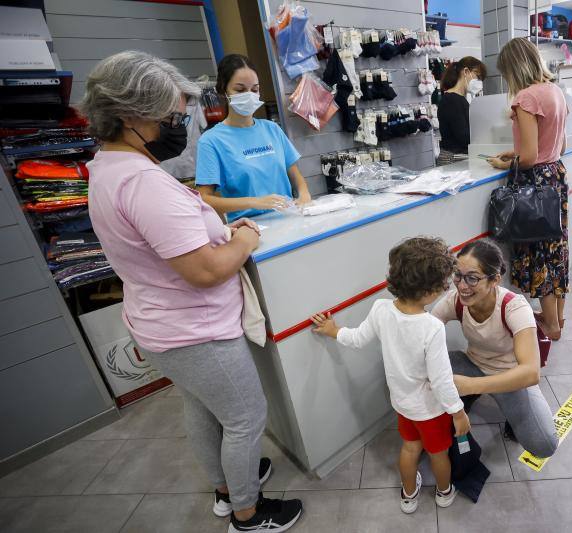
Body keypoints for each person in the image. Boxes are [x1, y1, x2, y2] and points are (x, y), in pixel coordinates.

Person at [82, 51, 302, 533]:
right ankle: (247, 512)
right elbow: (205, 271)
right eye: (171, 117)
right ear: (131, 116)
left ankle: (227, 487)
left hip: (160, 324)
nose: (179, 125)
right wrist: (243, 238)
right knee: (246, 417)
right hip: (195, 327)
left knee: (203, 407)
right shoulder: (144, 183)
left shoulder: (107, 167)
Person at [310, 237, 470, 514]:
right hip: (430, 410)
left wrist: (334, 331)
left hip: (402, 404)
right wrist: (457, 412)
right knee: (438, 454)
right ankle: (444, 492)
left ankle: (408, 496)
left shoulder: (381, 308)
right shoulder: (431, 327)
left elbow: (358, 338)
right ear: (431, 291)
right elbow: (441, 380)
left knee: (410, 448)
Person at [431, 239, 558, 458]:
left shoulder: (514, 306)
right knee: (427, 370)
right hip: (472, 364)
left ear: (495, 280)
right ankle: (464, 400)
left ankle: (479, 398)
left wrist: (470, 385)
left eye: (472, 278)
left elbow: (530, 372)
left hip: (511, 377)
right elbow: (425, 334)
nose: (462, 285)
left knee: (544, 444)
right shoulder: (455, 301)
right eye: (458, 275)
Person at [486, 37, 569, 341]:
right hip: (555, 177)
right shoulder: (555, 92)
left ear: (513, 68)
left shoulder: (526, 98)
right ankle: (558, 316)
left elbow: (531, 156)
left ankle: (549, 326)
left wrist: (504, 163)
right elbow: (560, 144)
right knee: (556, 249)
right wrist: (515, 150)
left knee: (538, 253)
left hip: (534, 181)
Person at [196, 54, 311, 222]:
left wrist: (304, 194)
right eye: (240, 90)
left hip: (290, 219)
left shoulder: (272, 129)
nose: (249, 95)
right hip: (250, 229)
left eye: (255, 89)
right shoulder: (211, 141)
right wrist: (254, 202)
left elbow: (295, 175)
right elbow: (205, 199)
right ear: (223, 90)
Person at [436, 56, 487, 165]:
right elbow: (463, 136)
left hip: (458, 155)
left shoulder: (458, 99)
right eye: (478, 77)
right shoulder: (452, 100)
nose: (479, 83)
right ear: (466, 72)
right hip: (453, 158)